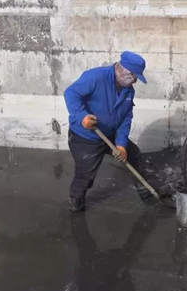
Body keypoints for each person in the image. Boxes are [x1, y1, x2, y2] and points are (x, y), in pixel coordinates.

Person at [64, 51, 154, 212]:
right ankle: (76, 203)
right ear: (123, 70)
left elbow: (125, 119)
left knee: (134, 154)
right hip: (86, 137)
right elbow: (71, 93)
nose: (135, 81)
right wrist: (82, 116)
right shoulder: (96, 77)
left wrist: (120, 145)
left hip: (109, 134)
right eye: (134, 76)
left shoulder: (128, 91)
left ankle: (146, 192)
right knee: (85, 176)